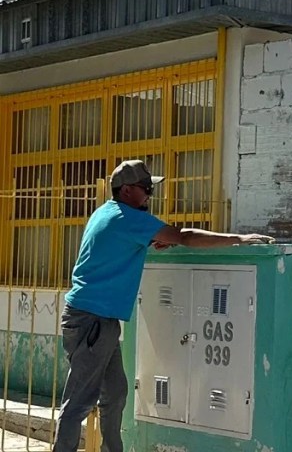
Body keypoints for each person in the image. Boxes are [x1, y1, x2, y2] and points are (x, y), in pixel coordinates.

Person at [54, 159, 276, 452]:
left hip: (95, 319)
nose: (149, 196)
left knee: (116, 392)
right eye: (146, 189)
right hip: (92, 320)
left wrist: (151, 240)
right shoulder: (128, 218)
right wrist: (238, 238)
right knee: (79, 402)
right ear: (127, 190)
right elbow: (184, 236)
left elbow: (118, 247)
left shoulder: (106, 213)